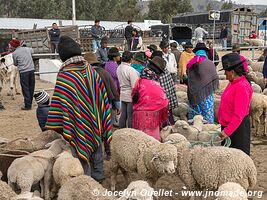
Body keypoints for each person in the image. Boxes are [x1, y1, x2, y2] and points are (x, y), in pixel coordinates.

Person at [45, 36, 112, 182]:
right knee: (96, 147)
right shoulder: (91, 71)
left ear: (62, 55)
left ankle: (86, 179)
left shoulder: (65, 76)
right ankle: (98, 176)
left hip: (76, 124)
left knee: (80, 149)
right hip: (96, 121)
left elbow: (60, 103)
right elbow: (102, 96)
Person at [84, 52, 120, 160]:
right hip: (106, 106)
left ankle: (94, 152)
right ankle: (108, 151)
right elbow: (113, 90)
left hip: (90, 108)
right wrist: (117, 104)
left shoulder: (84, 75)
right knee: (106, 128)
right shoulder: (104, 73)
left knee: (93, 129)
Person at [218, 53, 253, 155]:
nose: (225, 74)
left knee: (237, 160)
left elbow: (239, 114)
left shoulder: (241, 87)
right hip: (229, 127)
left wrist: (227, 131)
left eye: (226, 71)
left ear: (232, 72)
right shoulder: (233, 83)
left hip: (237, 130)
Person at [132, 56, 168, 140]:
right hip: (150, 119)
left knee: (139, 141)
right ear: (157, 73)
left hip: (137, 118)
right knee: (151, 143)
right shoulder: (154, 85)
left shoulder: (139, 81)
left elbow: (133, 96)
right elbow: (164, 102)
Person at [187, 43, 219, 123]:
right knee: (207, 117)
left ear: (196, 52)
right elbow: (214, 78)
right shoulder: (210, 63)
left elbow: (189, 78)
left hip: (194, 95)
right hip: (207, 95)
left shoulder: (191, 63)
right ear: (205, 52)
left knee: (195, 119)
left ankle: (195, 132)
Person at [153, 50, 178, 125]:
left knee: (165, 116)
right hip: (168, 97)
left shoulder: (158, 72)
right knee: (169, 114)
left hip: (163, 98)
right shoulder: (165, 69)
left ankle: (167, 127)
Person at [10, 38, 35, 110]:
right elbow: (32, 51)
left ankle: (27, 105)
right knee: (31, 87)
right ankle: (29, 102)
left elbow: (15, 63)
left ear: (13, 46)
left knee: (25, 88)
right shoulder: (27, 49)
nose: (10, 46)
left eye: (11, 45)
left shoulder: (14, 53)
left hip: (23, 72)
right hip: (31, 70)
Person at [116, 51, 139, 128]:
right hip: (130, 95)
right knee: (130, 116)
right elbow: (134, 86)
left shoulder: (119, 67)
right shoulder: (131, 70)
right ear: (131, 59)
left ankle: (121, 130)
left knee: (123, 114)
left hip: (122, 93)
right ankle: (130, 132)